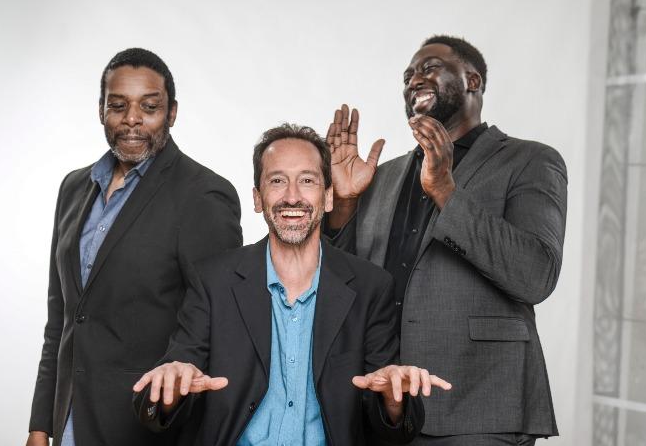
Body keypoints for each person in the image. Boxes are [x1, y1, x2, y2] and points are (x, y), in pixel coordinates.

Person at [132, 124, 452, 445]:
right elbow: (172, 383)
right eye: (277, 181)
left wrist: (393, 403)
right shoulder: (213, 280)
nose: (293, 196)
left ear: (328, 197)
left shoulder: (371, 287)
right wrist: (170, 392)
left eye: (308, 180)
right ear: (258, 198)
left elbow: (387, 417)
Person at [324, 35, 567, 445]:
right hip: (385, 403)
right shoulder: (382, 176)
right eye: (407, 75)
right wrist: (344, 206)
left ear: (472, 80)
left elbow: (536, 275)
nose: (413, 80)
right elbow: (346, 284)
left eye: (429, 67)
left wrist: (446, 193)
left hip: (480, 404)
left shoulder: (531, 161)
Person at [26, 48, 243, 446]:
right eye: (118, 105)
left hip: (147, 426)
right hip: (69, 422)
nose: (132, 119)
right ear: (101, 110)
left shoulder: (203, 195)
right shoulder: (74, 188)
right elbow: (62, 318)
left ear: (172, 113)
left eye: (149, 106)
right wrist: (41, 425)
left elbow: (217, 323)